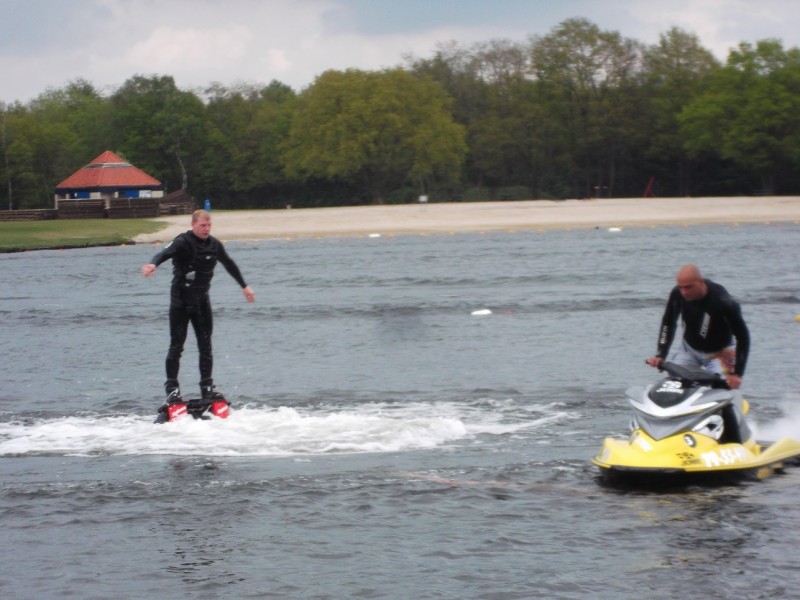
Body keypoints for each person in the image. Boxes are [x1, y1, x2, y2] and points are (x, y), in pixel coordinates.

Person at [141, 209, 255, 403]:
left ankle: (207, 388)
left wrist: (244, 286)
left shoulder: (214, 245)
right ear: (193, 224)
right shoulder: (182, 242)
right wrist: (153, 265)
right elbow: (163, 253)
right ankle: (172, 389)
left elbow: (229, 264)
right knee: (177, 346)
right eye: (203, 225)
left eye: (209, 225)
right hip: (181, 301)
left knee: (206, 346)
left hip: (202, 301)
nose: (206, 229)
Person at [645, 264, 749, 389]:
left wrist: (738, 373)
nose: (684, 292)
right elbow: (668, 321)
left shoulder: (723, 301)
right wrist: (661, 354)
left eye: (689, 287)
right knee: (675, 385)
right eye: (681, 287)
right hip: (689, 350)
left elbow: (743, 336)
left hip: (721, 353)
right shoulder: (677, 293)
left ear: (700, 282)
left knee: (723, 388)